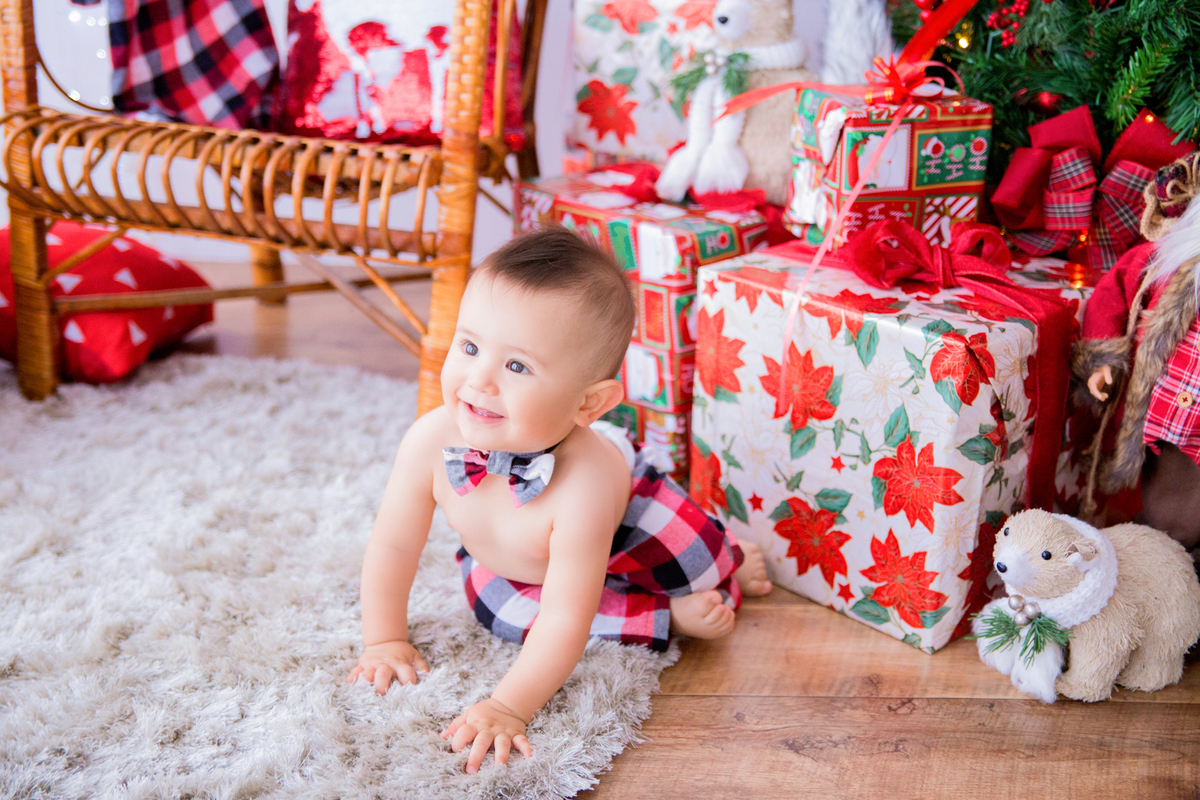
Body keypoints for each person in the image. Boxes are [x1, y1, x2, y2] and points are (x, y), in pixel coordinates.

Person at [345, 227, 771, 773]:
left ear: (589, 403)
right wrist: (383, 639)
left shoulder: (585, 485)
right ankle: (665, 618)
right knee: (495, 608)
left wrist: (508, 706)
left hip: (625, 518)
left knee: (704, 565)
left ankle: (732, 552)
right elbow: (394, 544)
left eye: (516, 366)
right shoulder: (430, 440)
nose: (479, 379)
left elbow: (569, 615)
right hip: (524, 564)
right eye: (470, 346)